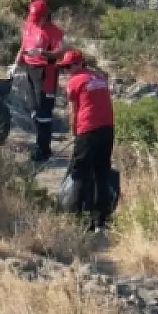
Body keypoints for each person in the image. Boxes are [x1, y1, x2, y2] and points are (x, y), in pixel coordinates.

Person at [59, 50, 115, 232]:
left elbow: (73, 112)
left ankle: (75, 216)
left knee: (79, 173)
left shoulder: (75, 82)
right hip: (107, 129)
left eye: (69, 66)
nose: (67, 70)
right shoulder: (99, 78)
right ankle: (101, 220)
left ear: (79, 64)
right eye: (65, 67)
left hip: (88, 130)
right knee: (101, 173)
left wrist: (74, 133)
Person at [12, 0, 66, 163]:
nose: (35, 21)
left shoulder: (54, 32)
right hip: (30, 70)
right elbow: (23, 45)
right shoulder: (29, 25)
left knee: (44, 112)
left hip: (46, 72)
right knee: (34, 109)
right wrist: (16, 63)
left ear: (45, 16)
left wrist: (42, 53)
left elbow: (60, 53)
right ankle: (40, 143)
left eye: (38, 19)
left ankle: (43, 149)